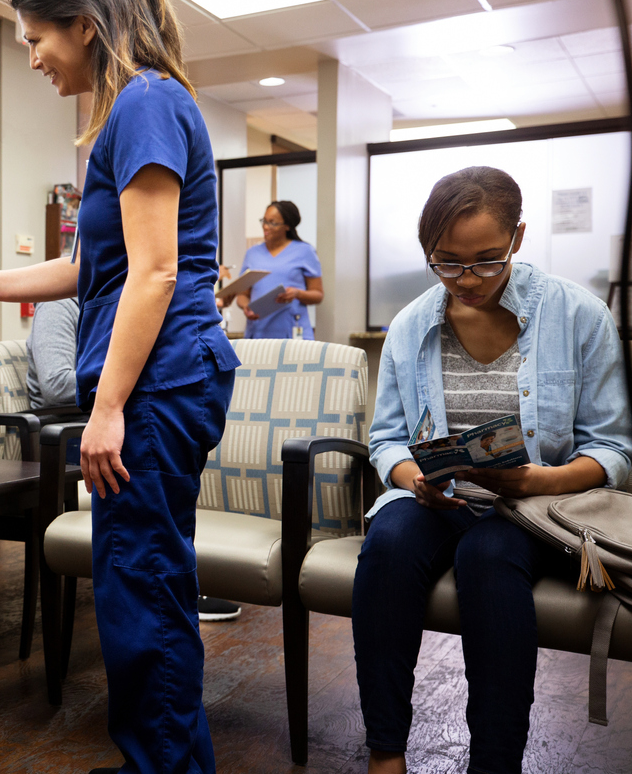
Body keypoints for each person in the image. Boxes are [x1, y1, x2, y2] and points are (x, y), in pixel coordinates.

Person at [0, 0, 240, 771]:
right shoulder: (134, 110)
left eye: (37, 37)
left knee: (140, 590)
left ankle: (166, 766)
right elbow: (88, 268)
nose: (31, 56)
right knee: (144, 583)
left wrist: (105, 409)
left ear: (85, 25)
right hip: (168, 374)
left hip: (159, 381)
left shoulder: (143, 101)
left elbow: (157, 272)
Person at [353, 166, 632, 774]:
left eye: (485, 260)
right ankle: (385, 754)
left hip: (532, 509)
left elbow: (614, 451)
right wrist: (411, 478)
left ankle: (495, 763)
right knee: (388, 546)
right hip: (439, 498)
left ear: (519, 238)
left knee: (488, 555)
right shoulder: (410, 326)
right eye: (446, 263)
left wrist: (540, 480)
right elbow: (385, 439)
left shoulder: (578, 317)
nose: (467, 280)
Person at [26, 297, 241, 623]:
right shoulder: (60, 305)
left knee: (167, 430)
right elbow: (55, 385)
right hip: (65, 434)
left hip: (104, 418)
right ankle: (157, 591)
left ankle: (171, 581)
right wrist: (125, 382)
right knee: (150, 433)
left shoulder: (118, 304)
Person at [235, 200, 323, 339]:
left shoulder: (305, 251)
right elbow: (242, 295)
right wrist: (247, 307)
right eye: (264, 221)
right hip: (259, 333)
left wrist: (297, 293)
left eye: (272, 222)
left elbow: (318, 294)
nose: (265, 226)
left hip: (293, 332)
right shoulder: (252, 254)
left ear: (287, 226)